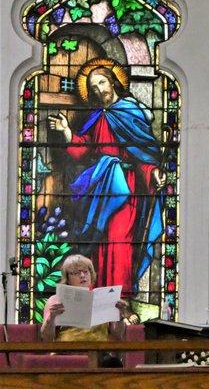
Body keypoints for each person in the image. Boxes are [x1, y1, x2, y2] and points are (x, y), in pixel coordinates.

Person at [48, 58, 165, 295]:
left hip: (127, 186)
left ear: (113, 82)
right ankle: (98, 296)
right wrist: (67, 132)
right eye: (93, 87)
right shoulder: (97, 116)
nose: (99, 89)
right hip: (101, 184)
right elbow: (83, 150)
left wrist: (153, 172)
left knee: (119, 240)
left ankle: (119, 299)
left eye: (102, 82)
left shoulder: (131, 111)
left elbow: (144, 152)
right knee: (101, 240)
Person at [41, 254, 129, 367]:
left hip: (99, 354)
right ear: (67, 278)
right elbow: (46, 338)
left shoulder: (104, 298)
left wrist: (120, 316)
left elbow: (118, 335)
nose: (82, 276)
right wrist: (51, 317)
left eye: (86, 272)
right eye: (76, 273)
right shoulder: (56, 300)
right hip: (66, 354)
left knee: (113, 364)